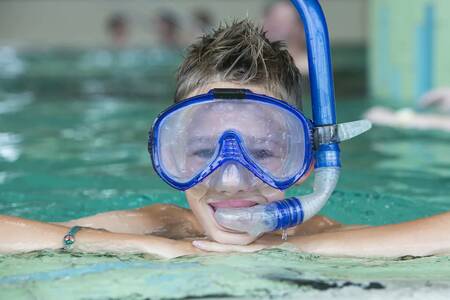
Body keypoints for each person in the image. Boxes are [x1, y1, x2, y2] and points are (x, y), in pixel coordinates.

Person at [1, 20, 449, 259]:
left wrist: (284, 250)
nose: (231, 179)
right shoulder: (163, 226)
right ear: (166, 155)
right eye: (200, 151)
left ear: (309, 163)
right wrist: (130, 244)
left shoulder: (315, 232)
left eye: (264, 152)